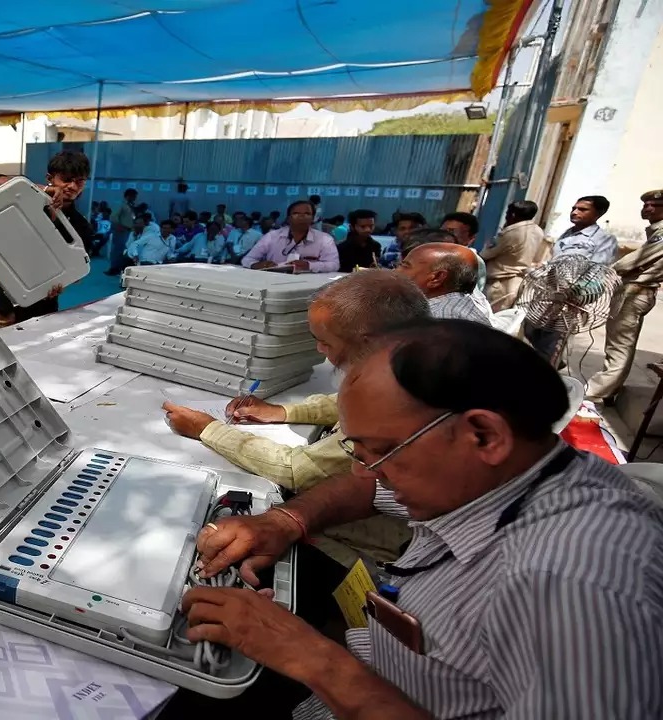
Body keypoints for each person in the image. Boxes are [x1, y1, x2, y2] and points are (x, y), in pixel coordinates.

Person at [186, 319, 663, 719]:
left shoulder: (574, 585)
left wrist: (314, 660)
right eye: (357, 448)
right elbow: (367, 487)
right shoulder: (500, 474)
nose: (364, 469)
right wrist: (287, 520)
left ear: (484, 434)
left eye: (380, 450)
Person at [162, 272, 428, 567]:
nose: (319, 351)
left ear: (366, 344)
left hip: (381, 542)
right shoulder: (412, 360)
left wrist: (207, 428)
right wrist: (283, 411)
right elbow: (343, 401)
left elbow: (298, 470)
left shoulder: (396, 399)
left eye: (324, 342)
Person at [0, 150, 92, 328]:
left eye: (79, 181)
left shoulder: (81, 226)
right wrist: (44, 190)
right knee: (1, 346)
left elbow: (78, 270)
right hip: (4, 306)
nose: (73, 186)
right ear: (50, 178)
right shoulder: (24, 198)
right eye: (66, 179)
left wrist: (61, 282)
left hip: (44, 307)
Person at [585, 189, 663, 404]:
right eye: (646, 204)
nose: (648, 208)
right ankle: (609, 388)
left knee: (620, 345)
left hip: (636, 291)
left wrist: (607, 272)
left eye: (655, 205)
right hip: (633, 290)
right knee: (618, 343)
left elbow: (634, 261)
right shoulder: (655, 232)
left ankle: (597, 391)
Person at [395, 243, 492, 324]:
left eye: (404, 266)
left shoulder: (438, 319)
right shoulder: (457, 308)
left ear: (437, 278)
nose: (395, 271)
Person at [481, 200, 551, 311]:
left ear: (513, 214)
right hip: (519, 283)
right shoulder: (539, 231)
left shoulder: (510, 233)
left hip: (498, 284)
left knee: (487, 315)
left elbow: (485, 255)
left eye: (507, 213)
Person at [241, 200, 339, 273]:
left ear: (313, 218)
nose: (301, 217)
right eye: (296, 213)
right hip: (273, 280)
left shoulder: (325, 239)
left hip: (309, 283)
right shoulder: (272, 236)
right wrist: (256, 265)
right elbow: (247, 259)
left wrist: (309, 265)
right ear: (288, 218)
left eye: (307, 213)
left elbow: (334, 265)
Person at [552, 195, 617, 264]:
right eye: (573, 209)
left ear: (599, 213)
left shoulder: (605, 239)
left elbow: (598, 267)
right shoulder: (567, 234)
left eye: (582, 210)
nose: (574, 212)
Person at [106, 188, 138, 276]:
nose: (135, 198)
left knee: (125, 249)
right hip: (121, 230)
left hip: (129, 230)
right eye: (134, 196)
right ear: (128, 196)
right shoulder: (121, 204)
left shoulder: (131, 206)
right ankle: (114, 268)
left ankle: (120, 267)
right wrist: (118, 226)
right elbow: (113, 216)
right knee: (118, 249)